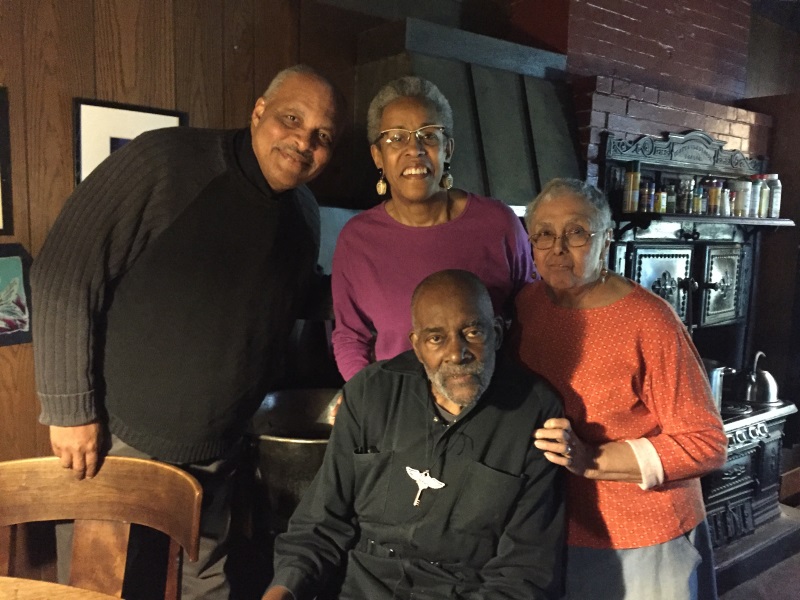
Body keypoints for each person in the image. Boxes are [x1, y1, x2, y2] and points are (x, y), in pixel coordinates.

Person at [30, 64, 344, 599]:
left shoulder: (305, 215)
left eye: (323, 136)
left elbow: (293, 299)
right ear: (258, 112)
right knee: (102, 587)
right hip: (116, 437)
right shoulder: (164, 162)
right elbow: (63, 272)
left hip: (218, 449)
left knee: (204, 586)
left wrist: (387, 284)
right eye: (292, 118)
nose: (303, 141)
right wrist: (69, 409)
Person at [263, 269, 565, 600]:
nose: (456, 353)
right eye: (437, 338)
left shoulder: (535, 413)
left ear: (495, 333)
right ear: (418, 346)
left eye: (473, 332)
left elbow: (525, 573)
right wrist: (282, 591)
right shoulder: (371, 392)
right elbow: (319, 525)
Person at [511, 178, 729, 600]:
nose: (558, 247)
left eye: (576, 232)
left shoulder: (650, 320)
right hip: (551, 523)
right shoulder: (527, 305)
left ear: (606, 238)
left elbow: (708, 442)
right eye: (544, 233)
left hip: (640, 531)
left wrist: (591, 457)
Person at [331, 76, 533, 381]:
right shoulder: (357, 239)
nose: (415, 149)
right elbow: (350, 337)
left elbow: (532, 317)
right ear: (378, 156)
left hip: (490, 404)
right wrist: (369, 402)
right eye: (396, 137)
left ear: (447, 149)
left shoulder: (499, 223)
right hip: (397, 411)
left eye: (428, 135)